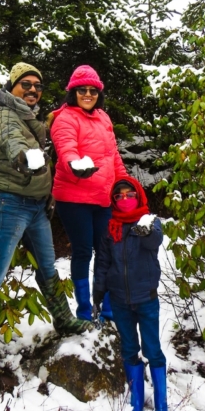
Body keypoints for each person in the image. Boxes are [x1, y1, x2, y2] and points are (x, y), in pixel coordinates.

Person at [0, 63, 91, 356]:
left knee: (47, 267)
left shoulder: (25, 117)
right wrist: (24, 157)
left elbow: (34, 133)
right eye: (26, 84)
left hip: (35, 206)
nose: (33, 90)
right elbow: (13, 141)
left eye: (38, 86)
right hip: (11, 203)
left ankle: (64, 319)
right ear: (12, 86)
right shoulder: (5, 115)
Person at [50, 65, 131, 322]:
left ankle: (106, 308)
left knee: (106, 251)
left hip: (103, 197)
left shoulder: (104, 118)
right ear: (72, 92)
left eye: (93, 90)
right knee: (83, 251)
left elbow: (113, 155)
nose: (88, 94)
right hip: (74, 198)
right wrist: (75, 164)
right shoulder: (64, 118)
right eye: (82, 90)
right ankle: (85, 311)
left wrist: (126, 185)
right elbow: (66, 148)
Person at [93, 177, 170, 411]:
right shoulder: (110, 227)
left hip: (146, 299)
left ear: (138, 196)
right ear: (113, 200)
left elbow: (154, 241)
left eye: (130, 194)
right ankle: (136, 404)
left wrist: (144, 230)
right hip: (119, 301)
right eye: (119, 196)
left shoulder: (149, 221)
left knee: (153, 351)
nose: (125, 199)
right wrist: (98, 293)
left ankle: (161, 408)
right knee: (129, 350)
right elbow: (103, 263)